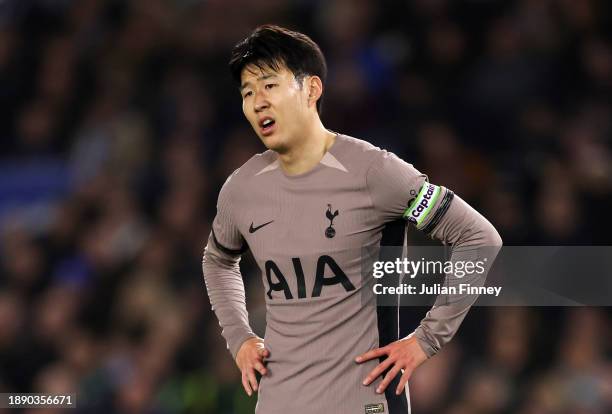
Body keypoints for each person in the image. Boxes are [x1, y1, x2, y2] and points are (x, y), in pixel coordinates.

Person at [202, 25, 502, 414]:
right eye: (247, 93)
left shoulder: (375, 172)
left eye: (269, 86)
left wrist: (427, 339)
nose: (257, 102)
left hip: (362, 402)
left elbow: (478, 238)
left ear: (311, 89)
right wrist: (239, 337)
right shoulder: (242, 189)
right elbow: (218, 259)